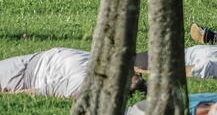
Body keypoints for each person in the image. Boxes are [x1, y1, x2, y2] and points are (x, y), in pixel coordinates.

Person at [1, 47, 145, 98]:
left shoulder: (86, 83)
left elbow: (42, 91)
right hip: (32, 62)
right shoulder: (110, 63)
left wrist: (10, 96)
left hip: (24, 74)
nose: (137, 74)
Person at [134, 45, 217, 81]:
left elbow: (178, 71)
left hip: (169, 60)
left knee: (130, 61)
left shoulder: (211, 68)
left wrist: (147, 71)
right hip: (177, 49)